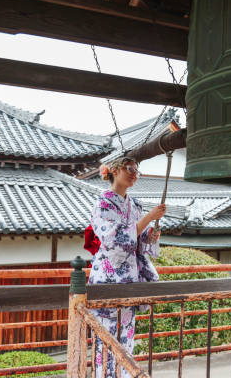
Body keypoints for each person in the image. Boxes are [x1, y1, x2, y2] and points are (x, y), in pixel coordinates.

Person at [89, 156, 166, 377]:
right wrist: (149, 218)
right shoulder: (103, 204)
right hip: (108, 277)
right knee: (106, 338)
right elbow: (115, 241)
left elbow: (138, 243)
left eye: (136, 170)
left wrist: (150, 234)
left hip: (131, 277)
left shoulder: (135, 205)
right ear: (113, 170)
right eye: (129, 168)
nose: (134, 173)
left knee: (126, 339)